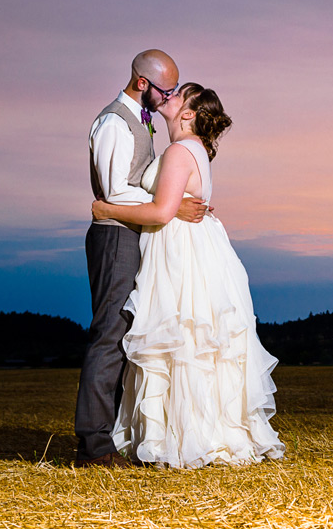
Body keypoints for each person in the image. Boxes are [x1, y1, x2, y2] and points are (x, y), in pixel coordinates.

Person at [91, 82, 284, 468]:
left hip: (181, 252)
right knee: (193, 343)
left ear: (189, 113)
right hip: (197, 247)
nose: (171, 95)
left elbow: (162, 212)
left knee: (179, 338)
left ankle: (181, 438)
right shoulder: (191, 150)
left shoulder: (180, 151)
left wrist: (106, 210)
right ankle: (200, 431)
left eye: (180, 94)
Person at [75, 50, 209, 469]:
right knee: (110, 336)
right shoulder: (115, 122)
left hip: (133, 234)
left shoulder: (141, 121)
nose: (168, 97)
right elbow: (114, 193)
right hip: (115, 236)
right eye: (164, 89)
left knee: (126, 336)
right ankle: (93, 446)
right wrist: (168, 204)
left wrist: (169, 204)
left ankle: (111, 437)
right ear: (141, 84)